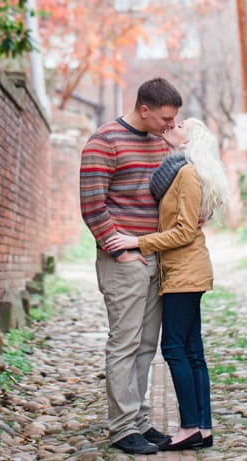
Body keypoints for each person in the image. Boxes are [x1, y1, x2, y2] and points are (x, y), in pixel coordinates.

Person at [104, 118, 230, 451]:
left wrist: (136, 242)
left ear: (187, 142)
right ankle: (202, 428)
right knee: (193, 350)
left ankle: (190, 426)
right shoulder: (183, 171)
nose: (171, 126)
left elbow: (185, 232)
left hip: (184, 273)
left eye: (179, 126)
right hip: (185, 270)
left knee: (175, 348)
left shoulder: (187, 174)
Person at [79, 77, 183, 455]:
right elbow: (92, 205)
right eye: (165, 119)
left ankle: (139, 421)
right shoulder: (103, 142)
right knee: (124, 343)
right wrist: (120, 251)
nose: (170, 125)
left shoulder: (161, 143)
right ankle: (122, 428)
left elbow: (171, 194)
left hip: (155, 255)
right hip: (122, 261)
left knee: (144, 345)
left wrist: (177, 151)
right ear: (144, 110)